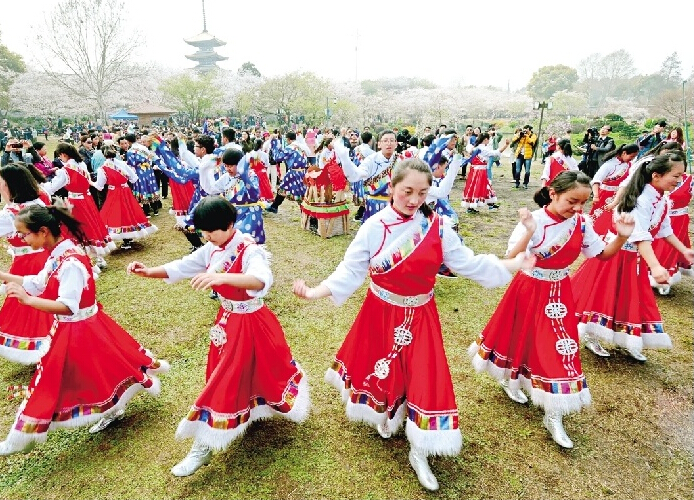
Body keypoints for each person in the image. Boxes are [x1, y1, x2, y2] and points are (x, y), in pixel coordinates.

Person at [292, 158, 531, 491]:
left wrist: (512, 263)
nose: (415, 200)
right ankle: (387, 414)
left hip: (421, 315)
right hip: (380, 312)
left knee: (424, 375)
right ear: (392, 186)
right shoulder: (374, 226)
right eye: (407, 191)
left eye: (422, 192)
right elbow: (351, 269)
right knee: (385, 368)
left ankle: (420, 449)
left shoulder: (438, 226)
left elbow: (467, 263)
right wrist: (317, 291)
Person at [127, 196, 309, 477]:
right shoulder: (213, 248)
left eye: (212, 230)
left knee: (229, 377)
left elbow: (260, 280)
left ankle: (205, 442)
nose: (207, 236)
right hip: (226, 324)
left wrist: (221, 278)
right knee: (230, 373)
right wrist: (149, 271)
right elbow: (184, 265)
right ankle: (236, 419)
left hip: (251, 322)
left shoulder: (249, 251)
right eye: (203, 231)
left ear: (230, 224)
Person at [469, 171, 635, 449]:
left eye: (583, 202)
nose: (578, 208)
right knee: (521, 337)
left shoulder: (582, 223)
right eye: (573, 201)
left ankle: (554, 413)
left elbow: (601, 255)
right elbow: (511, 259)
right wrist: (530, 232)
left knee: (561, 348)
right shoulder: (535, 221)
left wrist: (620, 236)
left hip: (560, 293)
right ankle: (513, 381)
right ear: (553, 193)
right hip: (529, 287)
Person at [0, 203, 168, 455]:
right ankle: (109, 408)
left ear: (43, 231)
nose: (20, 238)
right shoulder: (59, 254)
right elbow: (37, 281)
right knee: (98, 372)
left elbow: (67, 306)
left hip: (79, 329)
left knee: (53, 382)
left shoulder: (70, 263)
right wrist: (5, 275)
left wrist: (28, 300)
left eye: (24, 233)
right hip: (79, 328)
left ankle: (18, 439)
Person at [572, 152, 694, 361]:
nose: (680, 180)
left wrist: (684, 250)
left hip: (633, 259)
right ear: (656, 175)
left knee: (630, 298)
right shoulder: (640, 199)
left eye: (682, 175)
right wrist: (655, 266)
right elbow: (640, 237)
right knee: (602, 294)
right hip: (615, 255)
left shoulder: (661, 200)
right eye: (676, 175)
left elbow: (665, 229)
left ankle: (628, 337)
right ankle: (592, 334)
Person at [0, 164, 54, 364]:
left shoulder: (12, 214)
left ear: (10, 186)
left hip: (28, 263)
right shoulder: (39, 200)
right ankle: (53, 344)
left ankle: (43, 348)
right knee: (47, 300)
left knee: (28, 306)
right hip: (45, 257)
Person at [41, 143, 115, 268]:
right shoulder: (81, 164)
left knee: (77, 229)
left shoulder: (66, 170)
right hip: (87, 199)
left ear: (63, 155)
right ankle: (99, 258)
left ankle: (88, 259)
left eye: (61, 157)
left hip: (75, 202)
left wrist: (42, 188)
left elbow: (53, 186)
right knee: (91, 224)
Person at [91, 146, 158, 249]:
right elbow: (134, 179)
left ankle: (125, 238)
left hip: (113, 193)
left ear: (104, 156)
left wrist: (91, 182)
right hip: (126, 191)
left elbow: (100, 186)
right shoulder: (123, 164)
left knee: (116, 214)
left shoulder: (102, 169)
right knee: (129, 211)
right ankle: (129, 236)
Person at [648, 170, 693, 294]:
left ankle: (664, 276)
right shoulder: (654, 177)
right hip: (655, 217)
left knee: (668, 247)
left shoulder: (689, 180)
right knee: (651, 243)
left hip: (678, 219)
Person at [587, 144, 639, 236]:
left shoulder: (630, 166)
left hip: (620, 196)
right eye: (631, 156)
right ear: (624, 153)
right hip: (605, 196)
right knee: (598, 218)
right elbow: (596, 181)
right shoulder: (609, 164)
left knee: (613, 219)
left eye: (634, 157)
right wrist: (595, 195)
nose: (632, 159)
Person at [461, 133, 509, 213]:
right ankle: (473, 207)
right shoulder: (482, 148)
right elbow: (495, 153)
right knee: (479, 187)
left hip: (475, 171)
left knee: (480, 186)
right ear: (485, 139)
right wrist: (506, 145)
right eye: (488, 139)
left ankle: (490, 204)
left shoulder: (475, 147)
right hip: (479, 172)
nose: (489, 141)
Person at [265, 131, 308, 214]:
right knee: (283, 188)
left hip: (294, 173)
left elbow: (277, 157)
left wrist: (274, 142)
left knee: (300, 193)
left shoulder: (290, 147)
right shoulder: (301, 146)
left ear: (288, 139)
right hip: (302, 172)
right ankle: (274, 206)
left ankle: (306, 213)